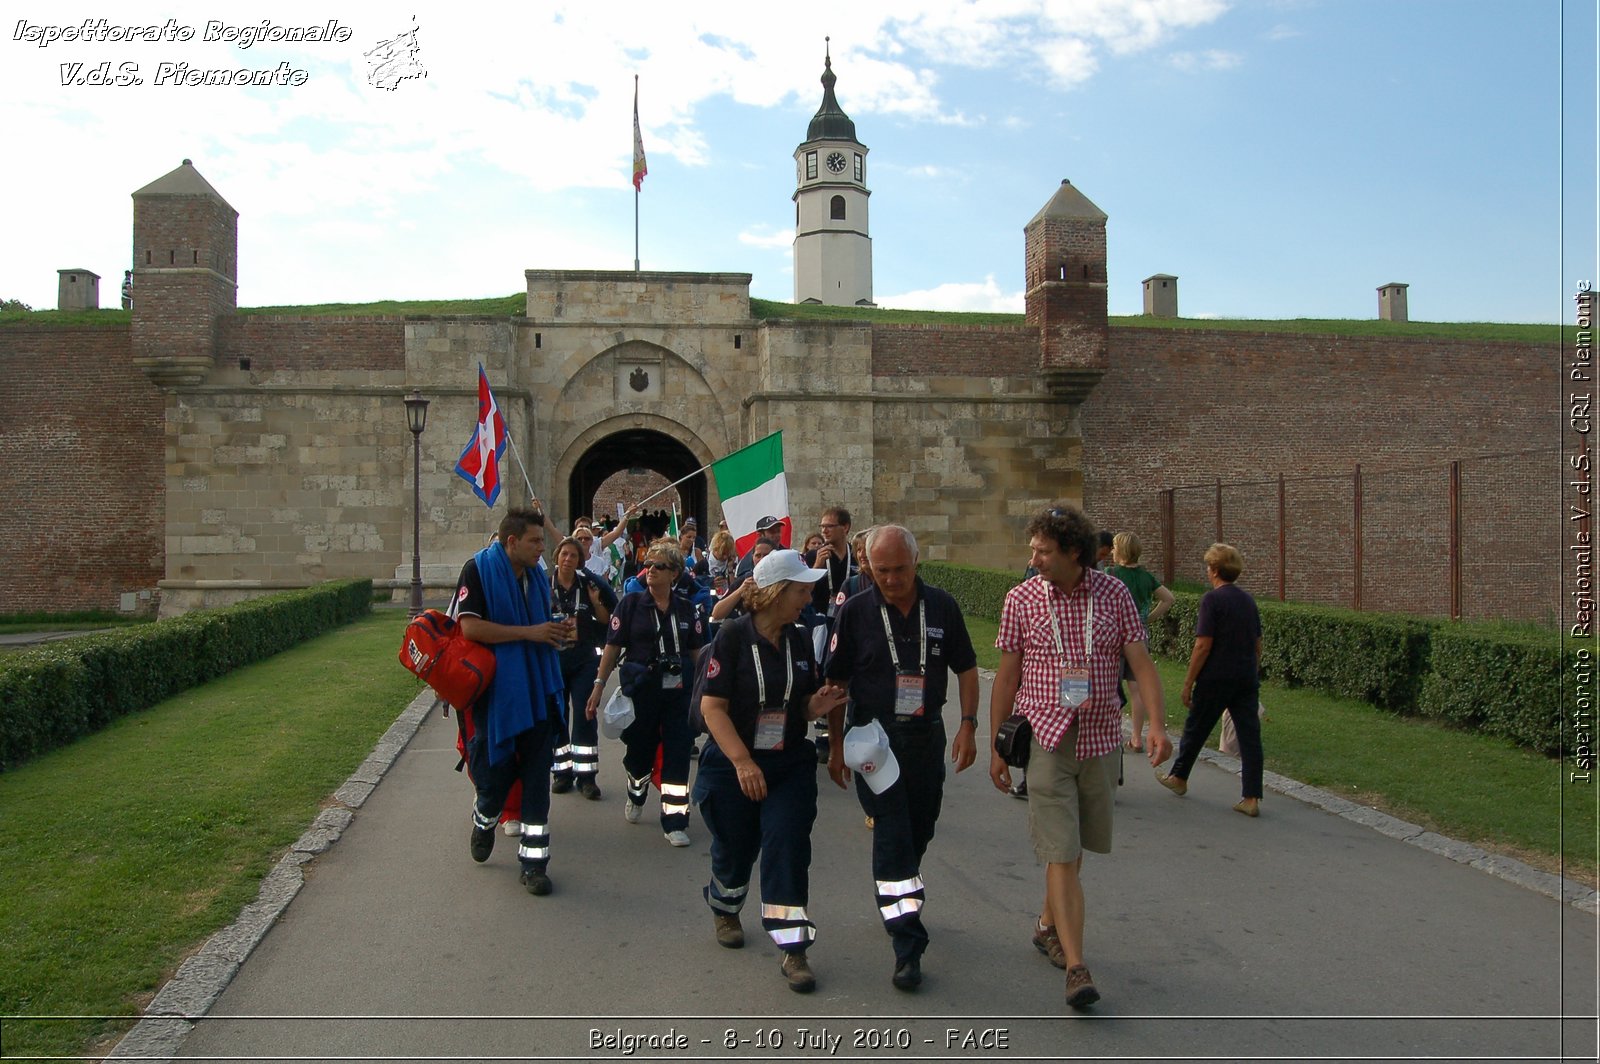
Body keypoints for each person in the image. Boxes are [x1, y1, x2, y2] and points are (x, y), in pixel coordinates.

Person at [987, 504, 1171, 1009]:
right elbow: (1006, 676)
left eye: (1043, 551)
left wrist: (1156, 724)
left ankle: (1047, 924)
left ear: (1073, 552)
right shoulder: (1021, 598)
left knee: (1076, 847)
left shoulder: (1114, 594)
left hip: (1099, 738)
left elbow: (1140, 664)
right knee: (1062, 853)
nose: (1034, 559)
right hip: (1045, 737)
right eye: (1032, 549)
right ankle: (1076, 965)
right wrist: (997, 747)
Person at [824, 525, 979, 992]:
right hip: (876, 741)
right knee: (892, 837)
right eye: (881, 570)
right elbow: (836, 685)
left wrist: (969, 724)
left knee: (920, 827)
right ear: (868, 567)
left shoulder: (943, 606)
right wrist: (834, 747)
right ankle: (907, 944)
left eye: (900, 569)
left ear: (917, 563)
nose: (890, 579)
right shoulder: (855, 611)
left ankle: (902, 885)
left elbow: (968, 667)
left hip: (926, 736)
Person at [693, 550, 848, 992]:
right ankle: (725, 908)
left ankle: (793, 946)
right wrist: (742, 762)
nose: (808, 596)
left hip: (787, 763)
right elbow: (712, 708)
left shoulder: (799, 639)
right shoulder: (732, 638)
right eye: (801, 589)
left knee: (787, 846)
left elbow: (796, 703)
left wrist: (815, 706)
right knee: (736, 849)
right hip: (731, 763)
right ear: (777, 592)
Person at [453, 508, 575, 896]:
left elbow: (539, 626)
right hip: (497, 690)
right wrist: (531, 633)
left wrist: (556, 632)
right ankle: (485, 816)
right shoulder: (477, 569)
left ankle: (534, 863)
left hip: (538, 686)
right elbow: (468, 627)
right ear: (512, 542)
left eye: (542, 540)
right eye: (535, 541)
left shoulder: (538, 576)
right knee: (496, 773)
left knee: (538, 776)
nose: (543, 548)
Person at [587, 540, 706, 846]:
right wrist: (599, 686)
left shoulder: (686, 608)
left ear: (675, 574)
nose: (650, 571)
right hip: (643, 688)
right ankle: (636, 787)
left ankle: (675, 819)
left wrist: (708, 690)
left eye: (659, 567)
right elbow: (613, 646)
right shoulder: (631, 604)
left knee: (679, 750)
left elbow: (697, 651)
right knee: (640, 750)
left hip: (679, 690)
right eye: (648, 566)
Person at [1158, 543, 1264, 816]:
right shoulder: (1248, 601)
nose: (1207, 571)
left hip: (1216, 675)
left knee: (1197, 727)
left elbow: (1203, 644)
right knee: (1249, 736)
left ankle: (1179, 777)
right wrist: (1252, 669)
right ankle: (1251, 797)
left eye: (1208, 566)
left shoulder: (1212, 600)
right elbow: (1257, 643)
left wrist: (1188, 682)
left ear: (1215, 570)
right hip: (1245, 676)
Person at [548, 536, 618, 799]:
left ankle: (587, 777)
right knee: (557, 715)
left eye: (573, 556)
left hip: (583, 660)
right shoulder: (544, 585)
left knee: (585, 713)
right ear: (557, 557)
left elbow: (608, 617)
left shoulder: (589, 584)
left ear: (580, 560)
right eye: (564, 554)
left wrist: (596, 601)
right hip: (554, 660)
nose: (568, 559)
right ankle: (561, 772)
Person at [1105, 532, 1175, 753]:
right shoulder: (1146, 577)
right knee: (1136, 689)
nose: (1111, 552)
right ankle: (1136, 737)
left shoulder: (1111, 573)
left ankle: (1112, 734)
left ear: (1121, 551)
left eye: (1114, 548)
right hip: (1139, 634)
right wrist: (1148, 618)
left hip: (1115, 636)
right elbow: (1168, 598)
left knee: (1111, 688)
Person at [734, 516, 786, 583]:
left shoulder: (786, 554)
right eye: (772, 532)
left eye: (778, 531)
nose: (777, 535)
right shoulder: (746, 564)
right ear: (760, 535)